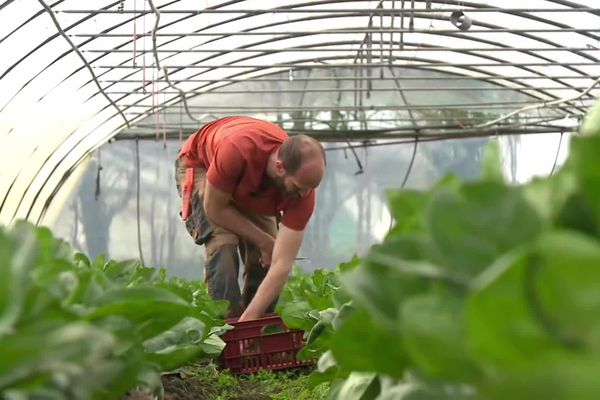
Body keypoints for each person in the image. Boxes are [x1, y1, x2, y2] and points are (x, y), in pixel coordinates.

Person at [175, 116, 326, 321]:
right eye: (299, 188)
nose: (303, 195)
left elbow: (282, 264)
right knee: (223, 247)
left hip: (250, 184)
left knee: (268, 257)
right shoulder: (237, 149)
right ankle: (225, 329)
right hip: (202, 165)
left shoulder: (303, 192)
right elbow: (215, 209)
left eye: (309, 190)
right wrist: (263, 240)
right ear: (280, 168)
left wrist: (250, 319)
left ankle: (255, 333)